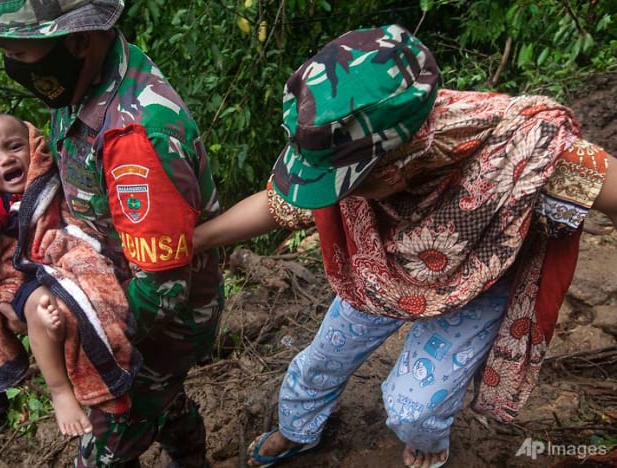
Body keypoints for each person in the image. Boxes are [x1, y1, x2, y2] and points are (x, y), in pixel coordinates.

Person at [194, 25, 617, 468]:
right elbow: (277, 204)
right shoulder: (342, 150)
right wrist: (196, 241)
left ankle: (429, 442)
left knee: (415, 410)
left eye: (351, 185)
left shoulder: (525, 149)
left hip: (476, 282)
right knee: (320, 360)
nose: (337, 198)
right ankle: (296, 429)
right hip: (378, 270)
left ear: (399, 163)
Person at [0, 2, 224, 467]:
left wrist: (70, 333)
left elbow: (162, 288)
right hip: (107, 281)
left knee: (103, 448)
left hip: (153, 316)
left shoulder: (135, 134)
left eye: (21, 53)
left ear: (78, 40)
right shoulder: (82, 84)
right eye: (6, 53)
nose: (15, 67)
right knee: (160, 401)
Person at [0, 112, 93, 436]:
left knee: (77, 298)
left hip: (61, 264)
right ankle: (61, 392)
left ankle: (64, 330)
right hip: (23, 276)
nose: (6, 159)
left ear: (32, 148)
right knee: (39, 305)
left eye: (14, 147)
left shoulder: (49, 179)